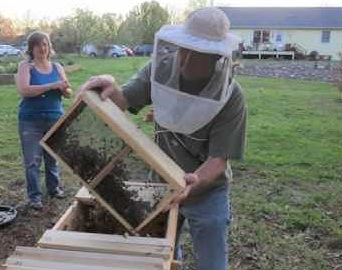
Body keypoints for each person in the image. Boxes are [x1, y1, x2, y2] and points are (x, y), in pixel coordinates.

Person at [80, 7, 246, 270]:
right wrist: (108, 85)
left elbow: (218, 160)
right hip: (160, 185)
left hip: (207, 191)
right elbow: (122, 99)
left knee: (213, 264)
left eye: (198, 52)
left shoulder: (231, 96)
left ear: (216, 56)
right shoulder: (160, 68)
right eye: (184, 47)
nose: (186, 58)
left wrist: (195, 181)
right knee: (164, 256)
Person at [16, 31, 72, 210]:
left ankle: (54, 189)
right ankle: (35, 197)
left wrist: (65, 90)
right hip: (30, 121)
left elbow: (68, 91)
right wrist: (52, 85)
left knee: (52, 158)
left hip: (54, 119)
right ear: (31, 48)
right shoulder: (26, 67)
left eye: (46, 44)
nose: (42, 48)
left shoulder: (57, 67)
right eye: (38, 44)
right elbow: (25, 90)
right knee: (32, 161)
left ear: (49, 47)